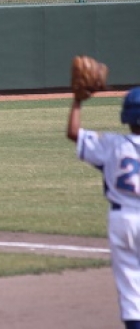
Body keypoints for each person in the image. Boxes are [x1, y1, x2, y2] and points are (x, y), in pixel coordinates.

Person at [67, 86, 140, 329]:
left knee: (131, 290)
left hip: (122, 221)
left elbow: (74, 133)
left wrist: (78, 101)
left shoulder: (112, 144)